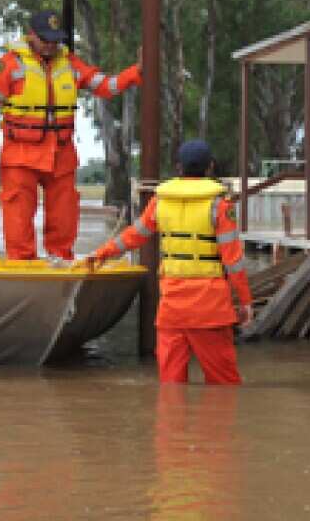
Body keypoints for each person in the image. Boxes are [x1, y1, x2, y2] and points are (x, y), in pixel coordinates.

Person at [0, 10, 141, 260]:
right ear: (31, 36)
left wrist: (138, 70)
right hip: (20, 156)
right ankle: (23, 273)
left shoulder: (71, 64)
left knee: (64, 222)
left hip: (61, 155)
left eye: (55, 40)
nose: (51, 45)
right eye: (45, 39)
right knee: (18, 225)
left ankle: (61, 270)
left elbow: (108, 87)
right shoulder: (10, 64)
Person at [84, 140, 253, 384]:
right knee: (224, 385)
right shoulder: (220, 205)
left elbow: (133, 236)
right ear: (210, 168)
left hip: (172, 306)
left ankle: (171, 421)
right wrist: (246, 301)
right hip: (210, 307)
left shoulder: (160, 202)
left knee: (171, 386)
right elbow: (233, 262)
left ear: (178, 168)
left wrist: (100, 253)